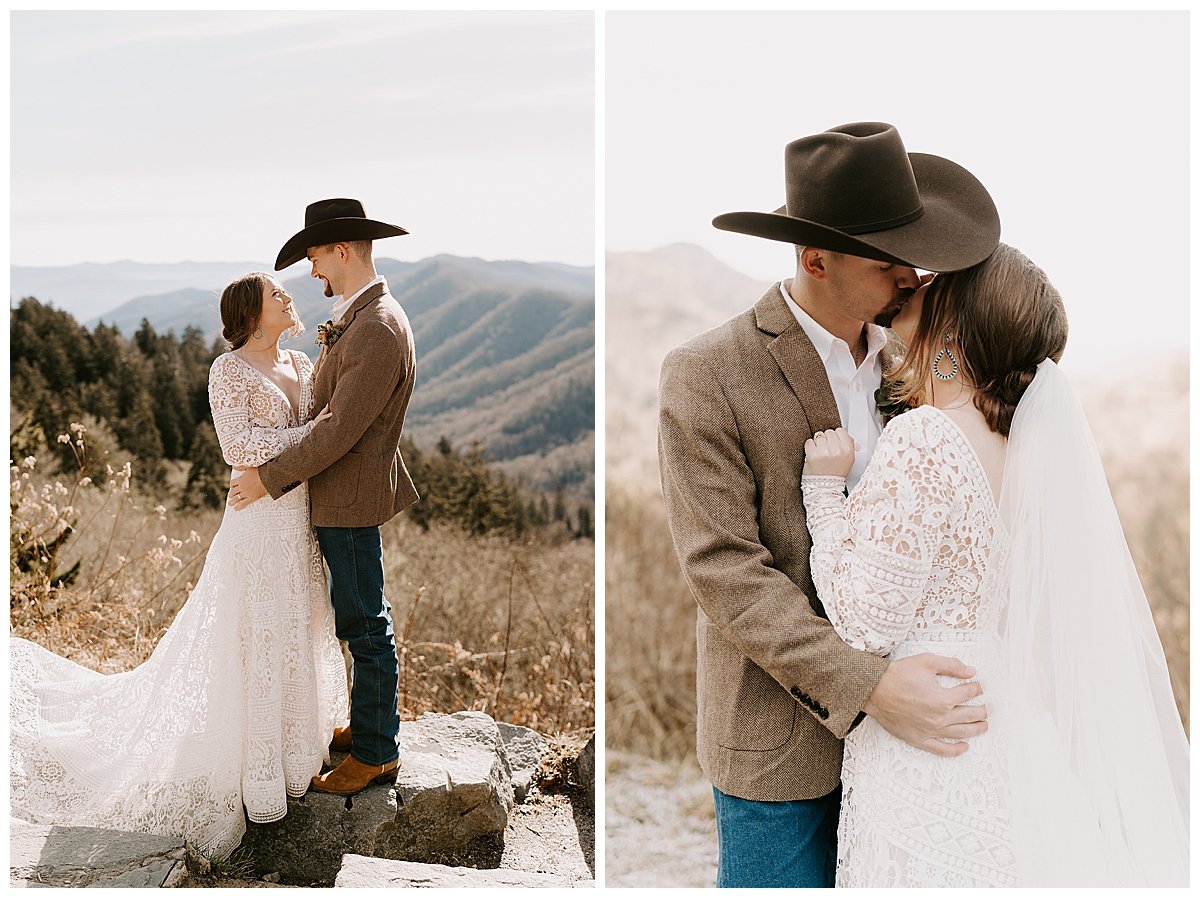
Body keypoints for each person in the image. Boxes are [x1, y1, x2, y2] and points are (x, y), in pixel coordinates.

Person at [657, 122, 1001, 888]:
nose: (913, 275)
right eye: (889, 260)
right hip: (783, 741)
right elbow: (724, 574)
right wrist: (871, 688)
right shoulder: (707, 372)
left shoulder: (914, 365)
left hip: (917, 752)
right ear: (816, 259)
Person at [801, 243, 1188, 887]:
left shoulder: (925, 437)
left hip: (928, 734)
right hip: (1003, 721)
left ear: (953, 326)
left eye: (935, 283)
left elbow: (864, 626)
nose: (915, 281)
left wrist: (823, 493)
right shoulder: (1025, 454)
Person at [10, 272, 347, 859]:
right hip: (256, 526)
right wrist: (315, 436)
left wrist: (309, 439)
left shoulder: (303, 364)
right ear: (248, 315)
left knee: (298, 624)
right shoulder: (229, 372)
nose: (288, 296)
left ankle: (295, 754)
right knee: (255, 636)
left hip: (299, 521)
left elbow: (301, 444)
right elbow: (237, 451)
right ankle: (253, 765)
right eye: (276, 294)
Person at [228, 197, 418, 796]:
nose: (311, 272)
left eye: (314, 257)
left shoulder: (380, 328)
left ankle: (375, 751)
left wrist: (269, 476)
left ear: (342, 249)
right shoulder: (360, 318)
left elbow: (340, 428)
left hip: (351, 496)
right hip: (336, 494)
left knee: (365, 622)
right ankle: (367, 727)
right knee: (354, 615)